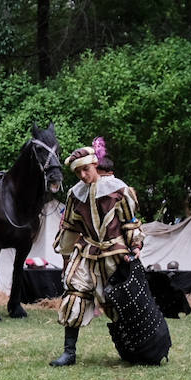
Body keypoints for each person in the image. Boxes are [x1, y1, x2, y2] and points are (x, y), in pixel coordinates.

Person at [49, 142, 144, 366]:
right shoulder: (75, 194)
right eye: (78, 172)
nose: (83, 175)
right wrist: (65, 254)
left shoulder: (118, 189)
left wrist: (136, 245)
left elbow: (130, 221)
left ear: (95, 164)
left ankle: (133, 349)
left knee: (119, 302)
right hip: (87, 251)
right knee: (74, 293)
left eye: (86, 169)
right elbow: (70, 226)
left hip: (115, 252)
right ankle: (69, 353)